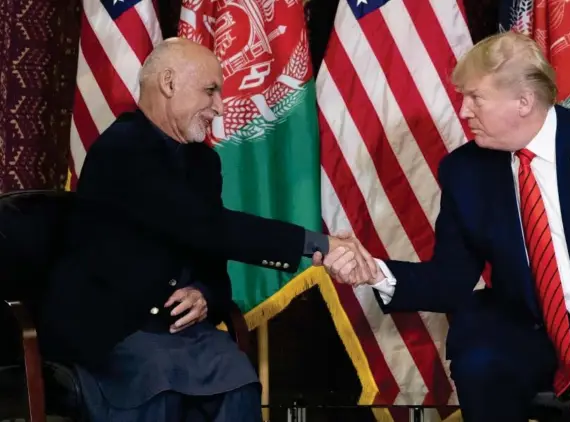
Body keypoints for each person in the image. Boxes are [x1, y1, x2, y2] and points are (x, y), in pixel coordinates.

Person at [323, 31, 570, 421]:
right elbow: (450, 279)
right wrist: (374, 273)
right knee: (481, 360)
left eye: (475, 98)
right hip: (535, 325)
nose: (465, 111)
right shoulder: (464, 170)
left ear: (524, 101)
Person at [37, 37, 373, 421]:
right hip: (111, 330)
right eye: (210, 91)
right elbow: (205, 226)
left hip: (176, 332)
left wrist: (203, 293)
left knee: (239, 379)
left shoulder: (202, 163)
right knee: (159, 386)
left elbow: (212, 259)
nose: (220, 107)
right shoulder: (121, 150)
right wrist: (317, 244)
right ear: (168, 83)